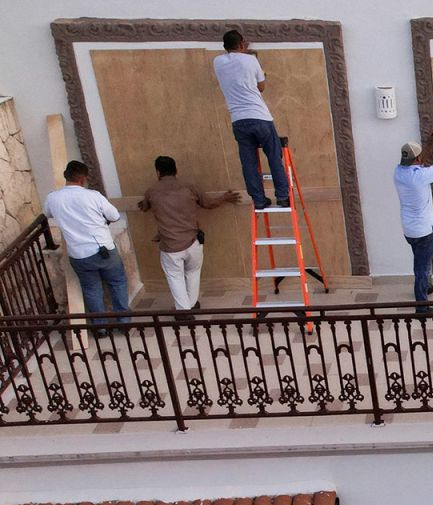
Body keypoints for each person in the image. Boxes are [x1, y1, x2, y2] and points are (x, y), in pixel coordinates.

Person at [137, 156, 237, 310]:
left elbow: (144, 207)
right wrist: (225, 197)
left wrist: (144, 204)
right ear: (176, 170)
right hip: (193, 242)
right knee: (192, 273)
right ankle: (191, 304)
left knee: (175, 277)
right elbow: (209, 204)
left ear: (157, 172)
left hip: (170, 247)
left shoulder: (151, 191)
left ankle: (184, 311)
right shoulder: (190, 188)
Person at [43, 161, 129, 333]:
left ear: (66, 176)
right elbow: (114, 216)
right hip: (103, 249)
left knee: (91, 288)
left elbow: (47, 213)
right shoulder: (93, 196)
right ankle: (124, 322)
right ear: (83, 179)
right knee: (117, 282)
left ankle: (100, 327)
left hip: (79, 254)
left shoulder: (53, 198)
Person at [214, 29, 289, 211]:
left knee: (248, 162)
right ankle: (282, 196)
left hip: (238, 120)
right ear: (242, 44)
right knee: (273, 156)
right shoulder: (251, 60)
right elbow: (261, 87)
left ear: (225, 47)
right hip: (260, 117)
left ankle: (259, 200)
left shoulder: (217, 61)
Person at [394, 134, 433, 313]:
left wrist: (428, 144)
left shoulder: (398, 171)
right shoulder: (420, 176)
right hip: (425, 231)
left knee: (421, 261)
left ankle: (425, 286)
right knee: (421, 266)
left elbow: (419, 162)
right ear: (418, 158)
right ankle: (422, 307)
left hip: (410, 230)